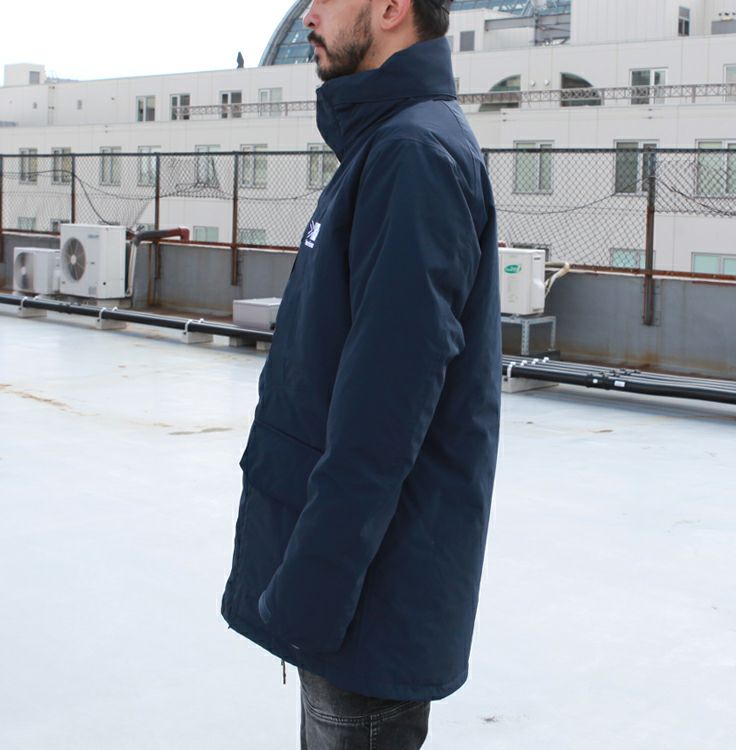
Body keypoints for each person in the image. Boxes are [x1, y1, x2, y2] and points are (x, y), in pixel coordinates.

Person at [221, 0, 501, 747]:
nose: (309, 14)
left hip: (366, 604)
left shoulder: (412, 154)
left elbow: (384, 412)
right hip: (354, 593)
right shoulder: (387, 143)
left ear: (391, 8)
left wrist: (311, 592)